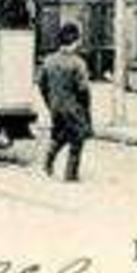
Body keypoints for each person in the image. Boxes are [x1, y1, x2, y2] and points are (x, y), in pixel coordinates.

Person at [37, 22, 92, 182]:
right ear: (75, 40)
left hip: (55, 106)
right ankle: (71, 174)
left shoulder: (49, 60)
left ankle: (48, 162)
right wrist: (85, 109)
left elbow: (42, 84)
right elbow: (83, 90)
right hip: (73, 108)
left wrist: (50, 102)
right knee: (77, 139)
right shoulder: (78, 63)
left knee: (59, 134)